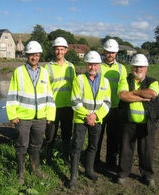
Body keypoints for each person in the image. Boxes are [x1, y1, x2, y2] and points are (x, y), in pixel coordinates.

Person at [6, 40, 56, 185]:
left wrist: (50, 115)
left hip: (40, 117)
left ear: (40, 55)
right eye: (31, 55)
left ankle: (35, 170)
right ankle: (21, 173)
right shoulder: (19, 72)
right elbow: (12, 94)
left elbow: (49, 96)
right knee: (22, 145)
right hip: (23, 117)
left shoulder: (45, 72)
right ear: (26, 55)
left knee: (36, 145)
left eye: (36, 54)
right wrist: (12, 114)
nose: (34, 57)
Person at [69, 51, 111, 190]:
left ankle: (89, 170)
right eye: (90, 64)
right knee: (77, 146)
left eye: (95, 64)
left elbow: (107, 103)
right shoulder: (79, 79)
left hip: (97, 120)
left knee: (93, 146)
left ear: (99, 65)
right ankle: (73, 177)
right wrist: (88, 116)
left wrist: (96, 116)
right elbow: (75, 101)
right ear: (86, 65)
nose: (92, 67)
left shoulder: (105, 81)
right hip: (81, 119)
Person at [117, 54, 159, 187]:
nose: (138, 69)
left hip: (147, 123)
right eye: (136, 66)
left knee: (146, 151)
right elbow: (123, 95)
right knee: (125, 149)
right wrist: (141, 96)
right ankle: (123, 174)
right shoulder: (125, 79)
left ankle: (148, 175)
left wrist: (133, 92)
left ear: (146, 68)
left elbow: (152, 93)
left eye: (141, 66)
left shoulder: (153, 82)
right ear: (131, 67)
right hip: (128, 122)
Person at [95, 39, 127, 170]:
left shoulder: (121, 68)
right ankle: (94, 161)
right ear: (104, 52)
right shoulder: (98, 67)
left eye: (113, 52)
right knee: (97, 136)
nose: (110, 54)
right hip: (100, 107)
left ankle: (111, 163)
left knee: (113, 137)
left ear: (116, 53)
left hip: (115, 108)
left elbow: (124, 88)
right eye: (108, 52)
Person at [44, 37, 76, 164]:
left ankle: (66, 157)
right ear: (53, 50)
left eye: (62, 49)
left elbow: (74, 86)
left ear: (66, 50)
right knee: (50, 135)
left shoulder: (71, 67)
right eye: (57, 49)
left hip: (68, 106)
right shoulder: (47, 67)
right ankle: (48, 158)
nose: (59, 52)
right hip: (53, 107)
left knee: (67, 135)